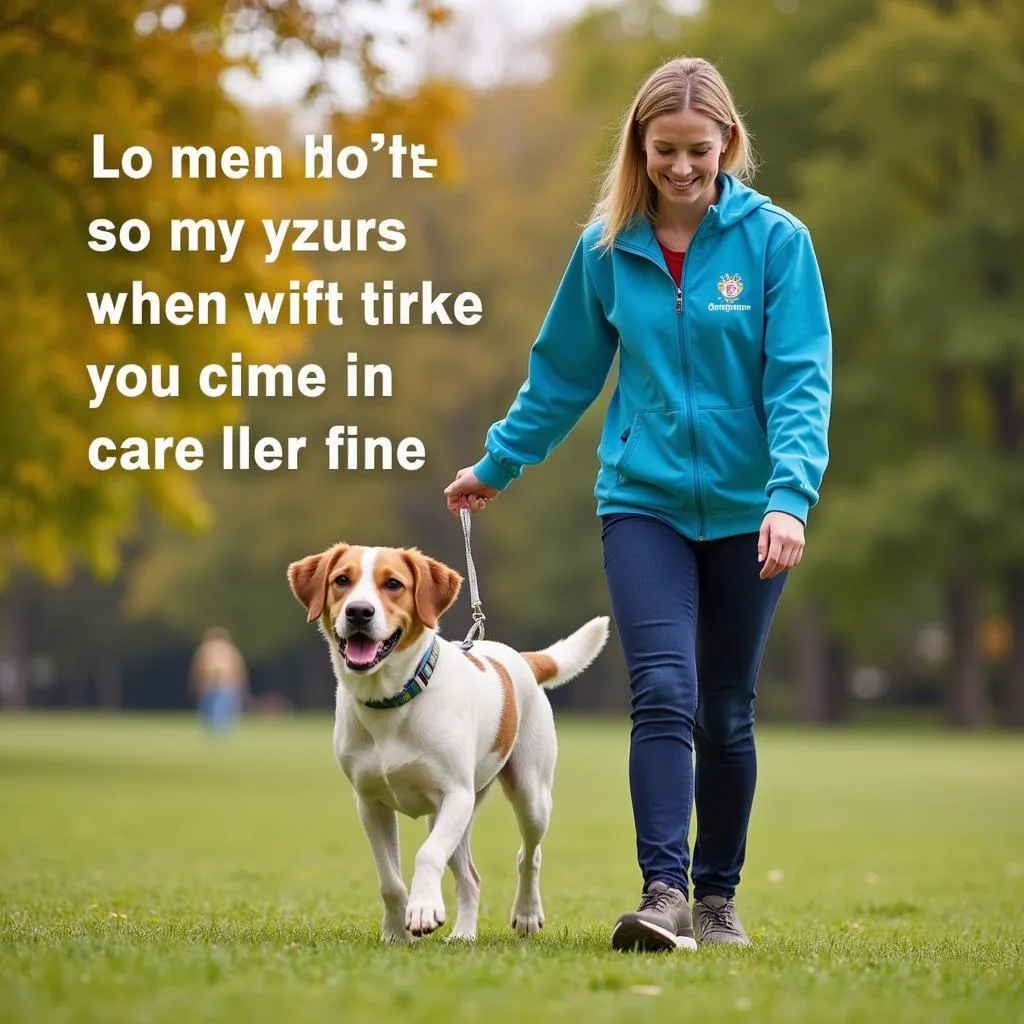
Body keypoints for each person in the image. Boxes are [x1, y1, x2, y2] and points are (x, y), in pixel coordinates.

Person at [443, 56, 831, 951]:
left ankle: (717, 899)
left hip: (751, 512)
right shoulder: (606, 249)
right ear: (639, 146)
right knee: (662, 689)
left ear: (728, 143)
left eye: (699, 150)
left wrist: (789, 499)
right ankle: (662, 892)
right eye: (665, 151)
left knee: (725, 708)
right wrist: (498, 463)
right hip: (642, 502)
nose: (682, 168)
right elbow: (563, 374)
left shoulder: (777, 244)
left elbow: (801, 382)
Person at [188, 626, 248, 734]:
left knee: (216, 706)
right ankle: (219, 729)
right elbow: (238, 668)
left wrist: (196, 682)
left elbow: (198, 668)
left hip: (218, 682)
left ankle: (217, 729)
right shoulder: (229, 650)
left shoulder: (206, 649)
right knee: (218, 706)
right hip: (221, 682)